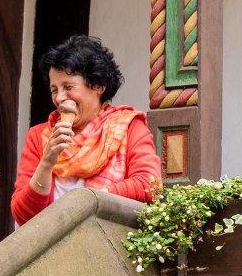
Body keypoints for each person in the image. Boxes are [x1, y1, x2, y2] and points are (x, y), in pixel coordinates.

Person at [12, 35, 162, 225]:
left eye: (68, 87)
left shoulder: (129, 127)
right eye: (54, 89)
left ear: (98, 85)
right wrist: (47, 162)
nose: (59, 98)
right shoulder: (39, 137)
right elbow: (22, 215)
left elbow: (149, 185)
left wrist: (90, 201)